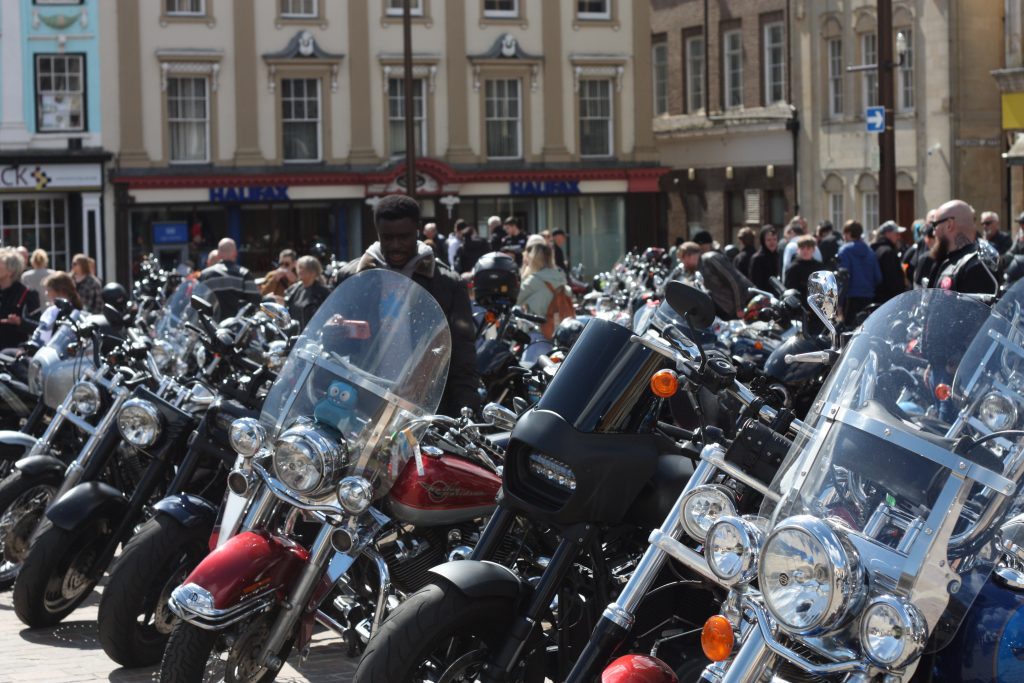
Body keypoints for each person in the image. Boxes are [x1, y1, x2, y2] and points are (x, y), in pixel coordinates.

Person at [333, 194, 480, 416]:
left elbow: (462, 356)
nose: (395, 245)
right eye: (387, 237)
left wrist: (466, 411)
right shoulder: (352, 277)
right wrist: (331, 334)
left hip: (425, 406)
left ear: (418, 231)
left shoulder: (447, 283)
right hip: (362, 405)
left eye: (404, 237)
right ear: (377, 232)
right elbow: (334, 350)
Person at [927, 199, 999, 294]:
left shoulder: (976, 266)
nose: (933, 232)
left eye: (935, 225)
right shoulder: (945, 259)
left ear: (949, 224)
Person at [692, 229, 753, 319]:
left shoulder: (712, 257)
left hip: (740, 305)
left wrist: (739, 307)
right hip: (726, 309)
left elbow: (733, 281)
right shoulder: (704, 260)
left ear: (702, 245)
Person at [198, 238, 260, 319]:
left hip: (211, 328)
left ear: (218, 254)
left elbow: (198, 303)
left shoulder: (205, 274)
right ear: (235, 253)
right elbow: (255, 302)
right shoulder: (244, 274)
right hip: (237, 328)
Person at [516, 242, 570, 335]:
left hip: (539, 331)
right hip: (562, 329)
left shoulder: (534, 280)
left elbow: (516, 299)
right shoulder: (560, 275)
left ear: (533, 259)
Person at [837, 220, 881, 322]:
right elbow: (878, 277)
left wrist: (839, 302)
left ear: (848, 234)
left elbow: (843, 279)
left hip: (850, 298)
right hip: (868, 297)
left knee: (848, 332)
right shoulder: (870, 251)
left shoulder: (844, 251)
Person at [0, 247, 41, 351]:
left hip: (13, 355)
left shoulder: (27, 294)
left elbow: (38, 328)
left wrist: (20, 322)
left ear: (11, 271)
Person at [28, 272, 81, 347]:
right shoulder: (52, 310)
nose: (46, 293)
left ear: (61, 291)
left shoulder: (73, 313)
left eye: (49, 290)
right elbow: (41, 332)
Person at [284, 255, 330, 331]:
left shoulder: (324, 292)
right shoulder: (293, 290)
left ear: (312, 272)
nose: (299, 270)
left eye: (302, 268)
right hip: (295, 335)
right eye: (298, 267)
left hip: (314, 336)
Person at [871, 221, 907, 303]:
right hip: (888, 302)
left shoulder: (876, 249)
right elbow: (892, 281)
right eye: (896, 234)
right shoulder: (888, 252)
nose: (899, 237)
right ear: (888, 233)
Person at [749, 225, 781, 292]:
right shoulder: (757, 258)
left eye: (774, 239)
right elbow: (756, 283)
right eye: (768, 240)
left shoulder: (777, 255)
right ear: (763, 241)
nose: (772, 242)